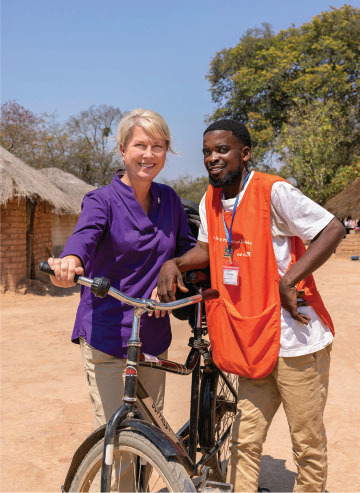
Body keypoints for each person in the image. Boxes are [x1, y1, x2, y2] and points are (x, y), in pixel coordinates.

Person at [157, 119, 345, 493]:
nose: (213, 158)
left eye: (222, 150)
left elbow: (333, 228)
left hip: (295, 342)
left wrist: (288, 281)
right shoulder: (212, 199)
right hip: (251, 341)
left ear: (244, 154)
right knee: (244, 440)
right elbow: (210, 250)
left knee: (306, 443)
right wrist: (175, 262)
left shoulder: (273, 191)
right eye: (207, 152)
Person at [48, 108, 195, 429]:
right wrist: (71, 261)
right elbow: (84, 236)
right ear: (123, 150)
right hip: (109, 337)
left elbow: (186, 251)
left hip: (154, 338)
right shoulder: (101, 200)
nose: (149, 154)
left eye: (158, 146)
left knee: (152, 434)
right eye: (140, 145)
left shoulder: (169, 200)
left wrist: (172, 276)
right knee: (122, 437)